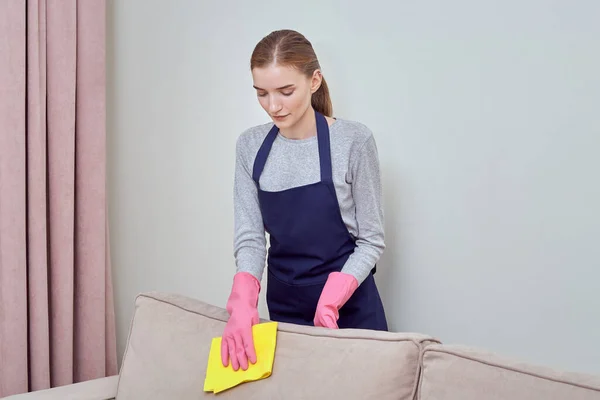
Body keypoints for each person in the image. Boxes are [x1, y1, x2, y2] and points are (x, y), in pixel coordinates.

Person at [221, 29, 388, 371]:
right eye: (262, 93)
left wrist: (339, 290)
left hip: (350, 307)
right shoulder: (250, 146)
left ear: (314, 81)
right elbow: (252, 238)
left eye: (285, 91)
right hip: (286, 306)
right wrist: (243, 294)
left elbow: (371, 240)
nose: (273, 106)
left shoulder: (353, 141)